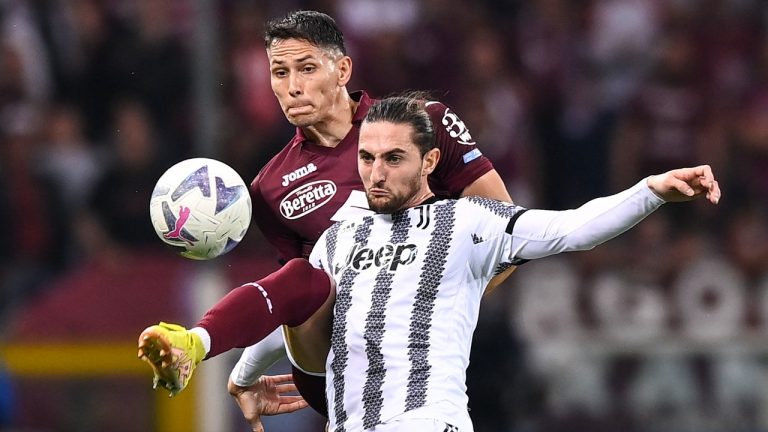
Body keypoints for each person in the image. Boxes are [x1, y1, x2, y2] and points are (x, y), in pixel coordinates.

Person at [139, 93, 720, 431]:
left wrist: (650, 191)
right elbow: (296, 311)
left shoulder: (470, 225)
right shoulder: (340, 238)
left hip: (426, 423)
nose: (375, 173)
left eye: (394, 158)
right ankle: (192, 345)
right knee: (300, 278)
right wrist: (239, 374)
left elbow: (572, 228)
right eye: (366, 158)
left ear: (430, 160)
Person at [145, 9, 515, 430]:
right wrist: (247, 368)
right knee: (307, 273)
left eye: (306, 69)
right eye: (279, 72)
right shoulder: (270, 189)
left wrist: (432, 310)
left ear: (342, 69)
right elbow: (297, 296)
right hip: (339, 361)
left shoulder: (422, 124)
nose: (292, 87)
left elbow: (506, 229)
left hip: (430, 343)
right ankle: (191, 344)